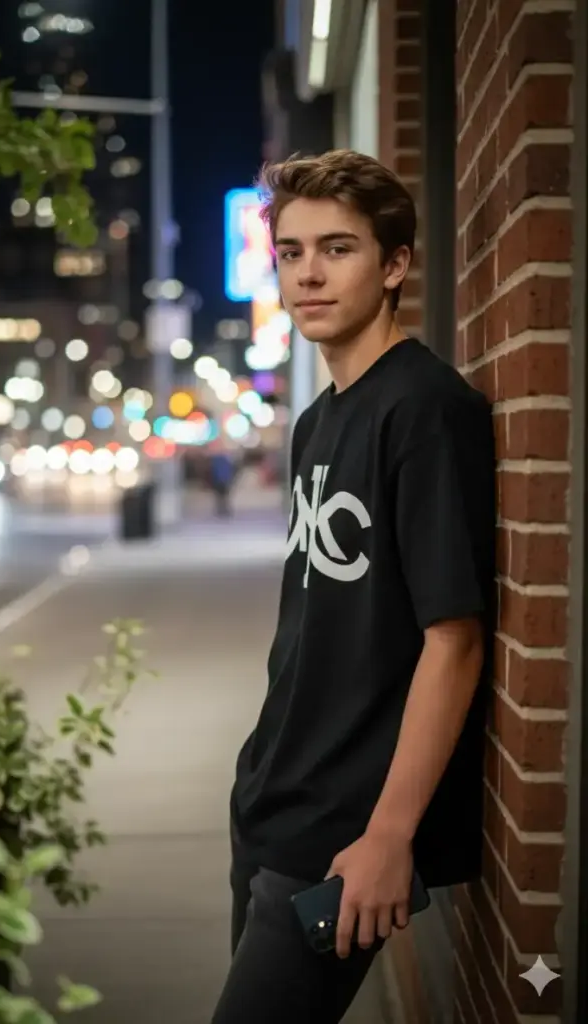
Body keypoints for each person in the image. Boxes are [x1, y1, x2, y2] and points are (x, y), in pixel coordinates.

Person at [210, 150, 496, 1024]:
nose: (308, 274)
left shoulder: (424, 409)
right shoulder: (317, 420)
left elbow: (453, 640)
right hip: (271, 797)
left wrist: (388, 835)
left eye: (336, 249)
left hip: (342, 829)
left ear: (395, 264)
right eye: (291, 253)